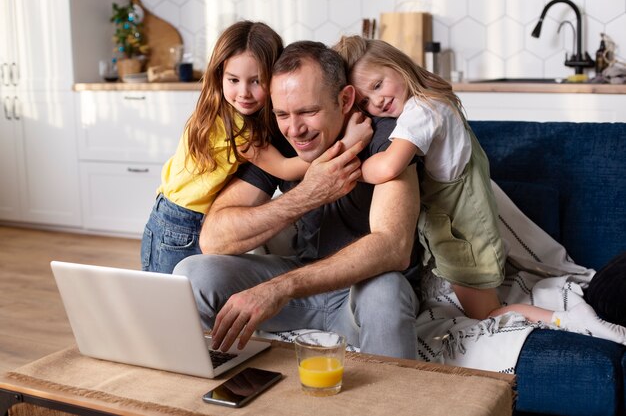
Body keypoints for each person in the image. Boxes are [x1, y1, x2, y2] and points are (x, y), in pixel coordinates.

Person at [332, 35, 626, 345]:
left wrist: (346, 163)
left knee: (486, 316)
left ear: (400, 67)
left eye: (378, 86)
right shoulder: (431, 100)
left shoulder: (421, 113)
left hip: (464, 234)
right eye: (364, 101)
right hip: (460, 227)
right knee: (465, 305)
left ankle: (564, 320)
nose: (375, 102)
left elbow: (388, 168)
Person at [173, 40, 422, 359]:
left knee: (385, 291)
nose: (296, 129)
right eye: (282, 114)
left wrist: (280, 288)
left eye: (308, 111)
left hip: (360, 291)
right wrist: (308, 193)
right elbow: (214, 238)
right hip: (303, 285)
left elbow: (394, 246)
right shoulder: (279, 144)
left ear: (344, 100)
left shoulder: (386, 136)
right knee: (192, 273)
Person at [141, 22, 369, 274]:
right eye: (233, 80)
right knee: (173, 301)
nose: (244, 93)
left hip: (167, 210)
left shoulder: (219, 111)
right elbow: (284, 167)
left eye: (256, 81)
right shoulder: (238, 128)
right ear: (220, 76)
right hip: (181, 224)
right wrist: (347, 144)